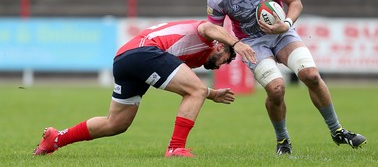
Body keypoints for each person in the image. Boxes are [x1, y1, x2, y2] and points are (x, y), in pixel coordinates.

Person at [207, 0, 367, 155]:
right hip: (252, 43)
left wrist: (286, 24)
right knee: (276, 89)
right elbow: (214, 30)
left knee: (311, 75)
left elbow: (295, 2)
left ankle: (337, 130)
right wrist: (231, 45)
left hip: (283, 34)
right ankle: (283, 140)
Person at [33, 20, 257, 157]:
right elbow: (208, 27)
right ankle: (175, 148)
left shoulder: (195, 59)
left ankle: (55, 139)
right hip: (145, 53)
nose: (220, 66)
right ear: (220, 46)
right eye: (225, 59)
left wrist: (211, 93)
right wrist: (236, 43)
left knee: (116, 123)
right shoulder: (208, 37)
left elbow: (187, 85)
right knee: (196, 90)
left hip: (124, 58)